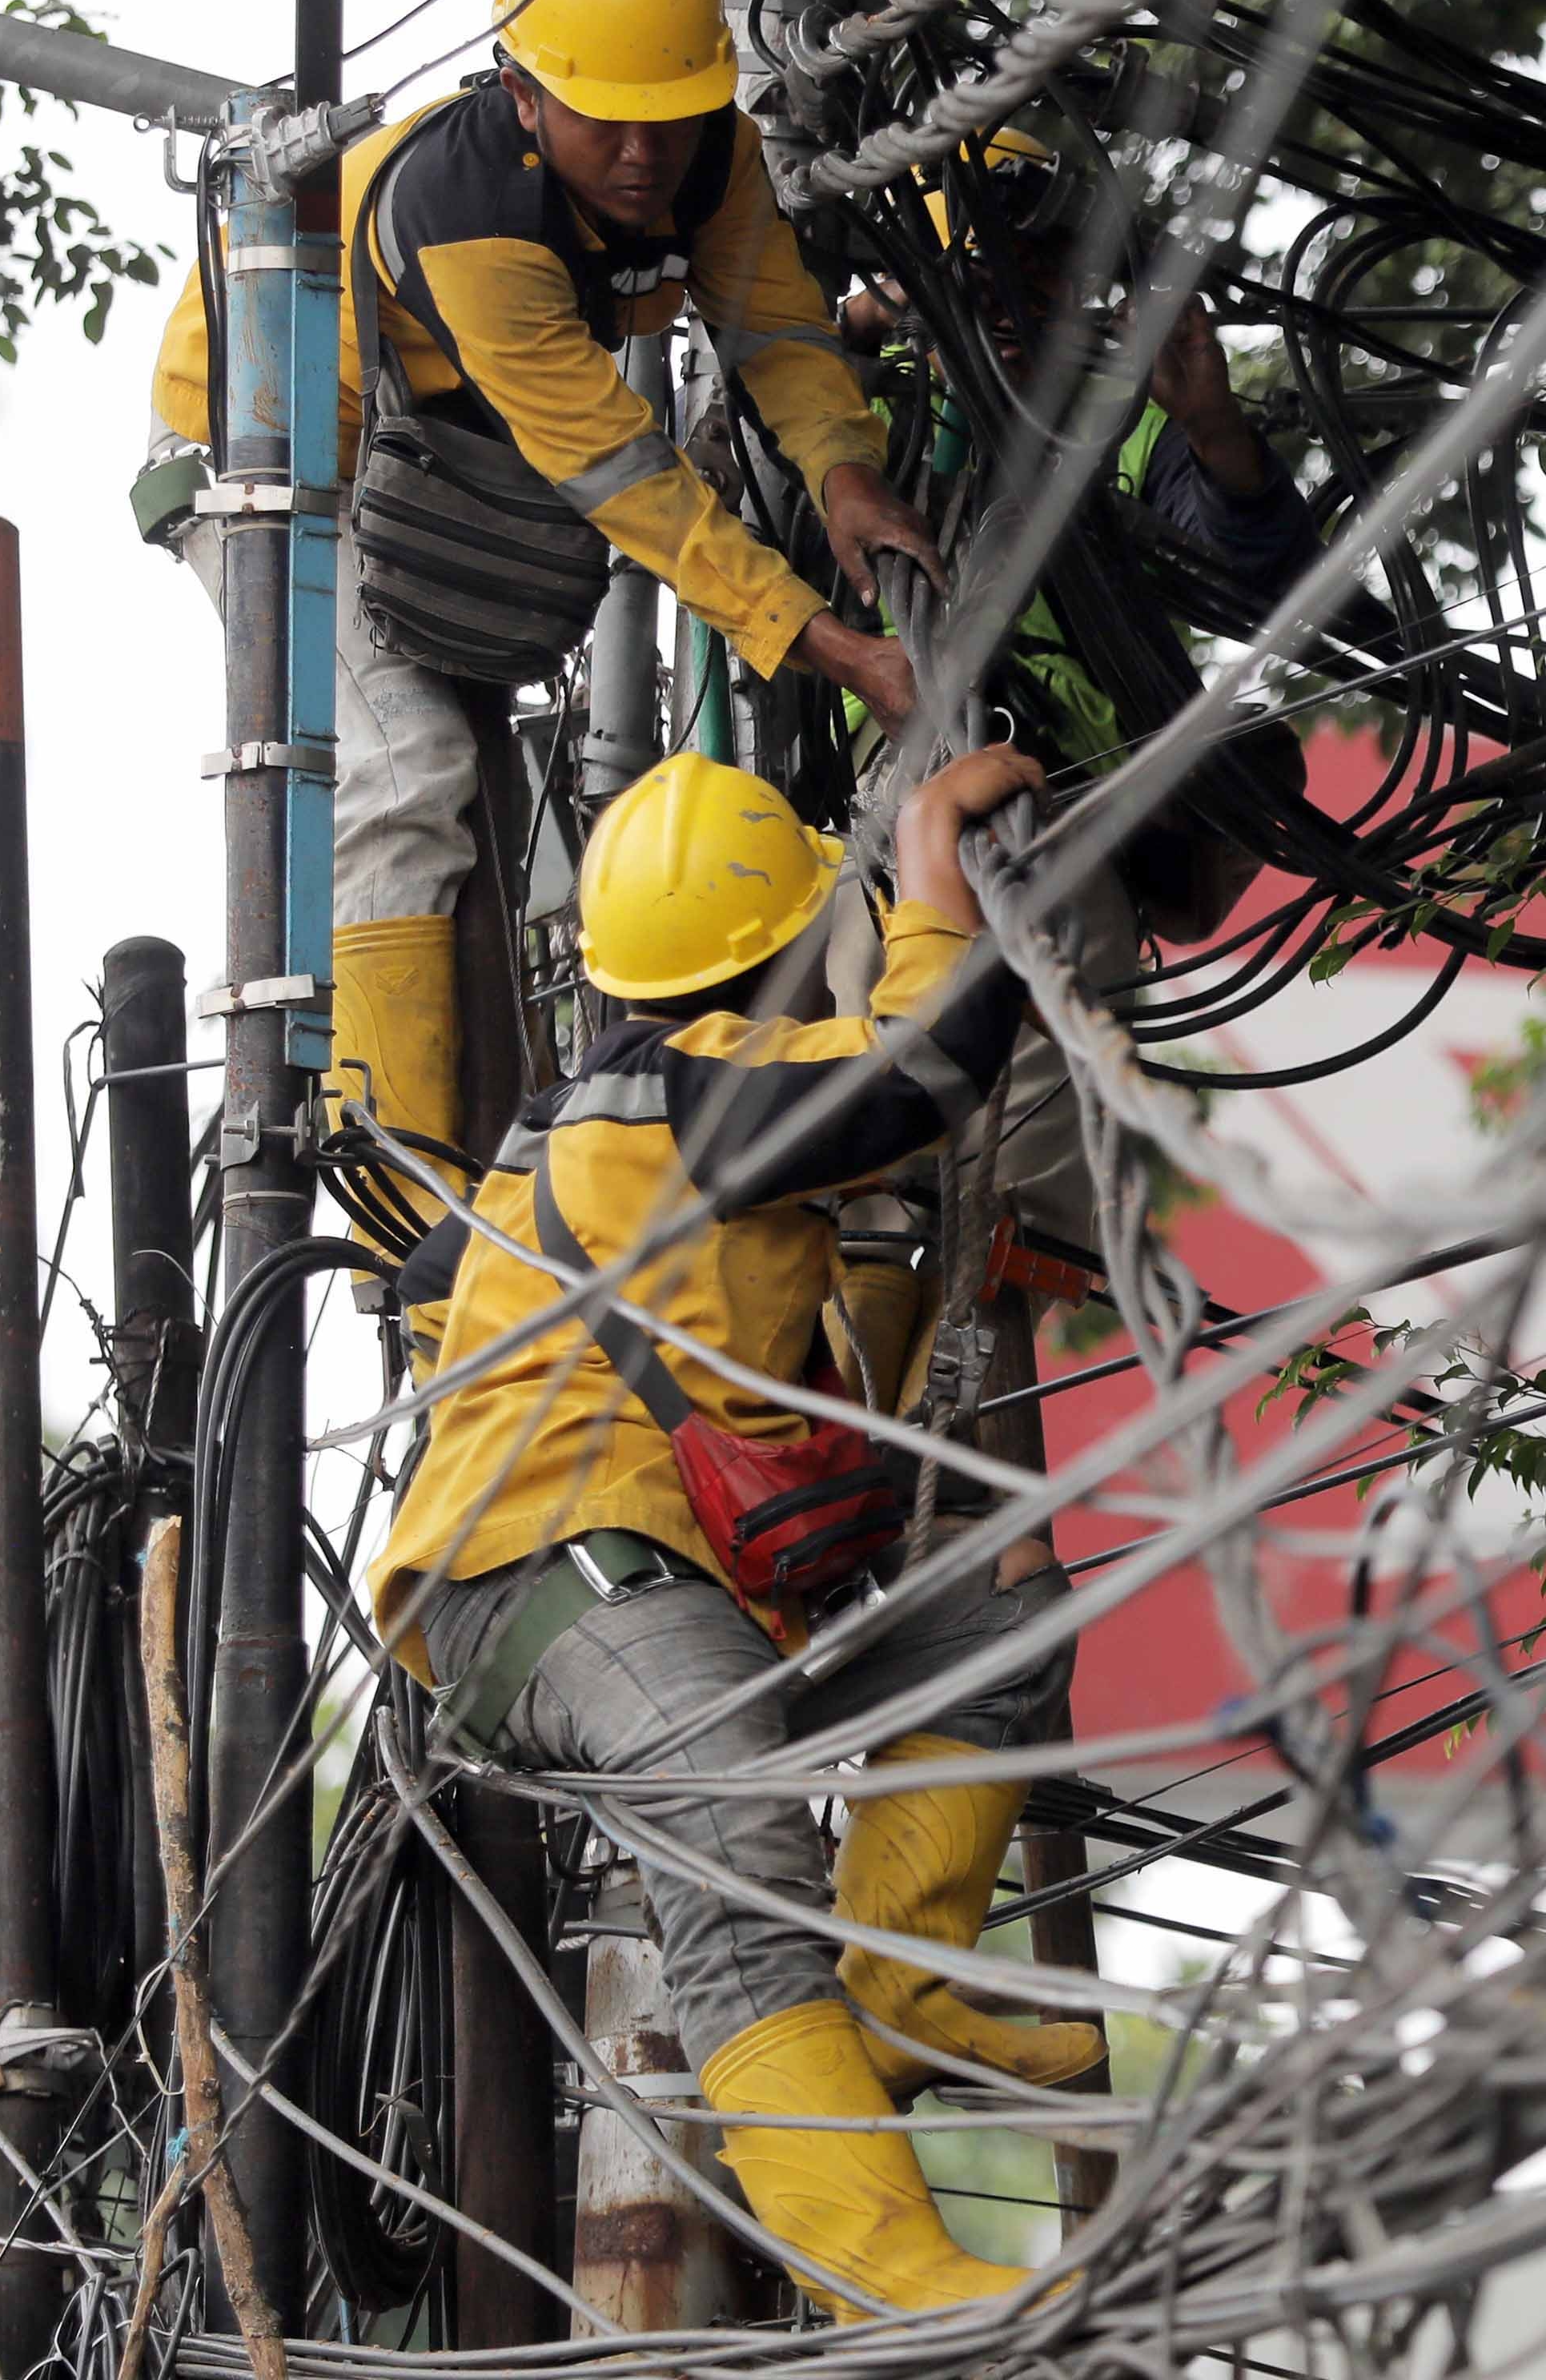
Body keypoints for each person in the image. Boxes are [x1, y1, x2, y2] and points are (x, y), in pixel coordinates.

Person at [368, 744, 1103, 2318]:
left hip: (681, 1580)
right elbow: (920, 1071)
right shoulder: (685, 1093)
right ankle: (881, 2268)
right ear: (781, 946)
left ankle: (896, 1991)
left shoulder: (623, 1110)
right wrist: (929, 873)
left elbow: (427, 1278)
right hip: (540, 1575)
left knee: (1001, 1603)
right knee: (732, 1813)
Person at [139, 0, 938, 1206]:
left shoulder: (710, 160)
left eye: (668, 117)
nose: (640, 154)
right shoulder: (469, 215)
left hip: (432, 473)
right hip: (265, 456)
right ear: (521, 95)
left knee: (500, 841)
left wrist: (847, 476)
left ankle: (494, 1168)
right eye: (602, 117)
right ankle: (411, 1225)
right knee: (404, 779)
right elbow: (618, 471)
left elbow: (778, 334)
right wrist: (825, 643)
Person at [832, 135, 1322, 1264]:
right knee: (872, 1121)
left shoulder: (1125, 416)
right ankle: (888, 1301)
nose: (1017, 294)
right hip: (889, 807)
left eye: (1045, 265)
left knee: (1027, 1159)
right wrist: (868, 320)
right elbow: (756, 439)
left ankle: (1007, 1270)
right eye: (990, 263)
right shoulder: (874, 415)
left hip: (1062, 809)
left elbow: (1255, 577)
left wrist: (1210, 428)